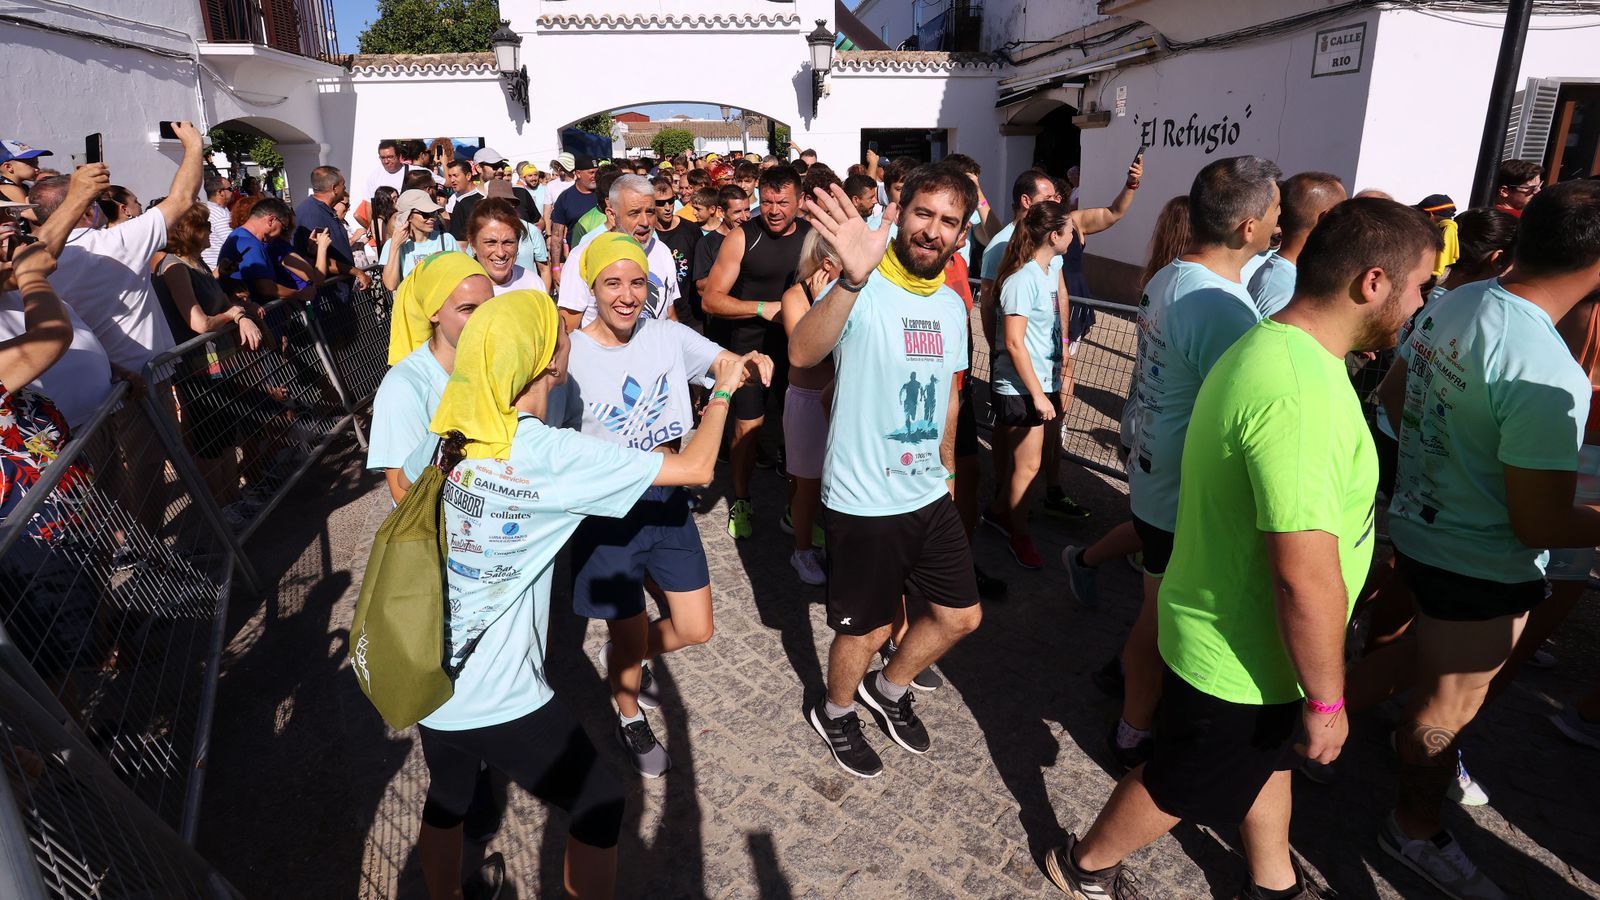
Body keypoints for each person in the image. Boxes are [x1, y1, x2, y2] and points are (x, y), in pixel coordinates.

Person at [1043, 197, 1439, 900]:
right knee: (1179, 782)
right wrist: (1326, 700)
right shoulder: (1298, 391)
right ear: (1372, 282)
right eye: (1420, 286)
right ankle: (1084, 864)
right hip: (1242, 655)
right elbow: (1302, 575)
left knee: (1265, 762)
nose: (1420, 304)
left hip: (1250, 642)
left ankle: (1273, 879)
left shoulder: (1280, 346)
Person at [397, 290, 756, 900]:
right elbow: (696, 468)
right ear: (550, 362)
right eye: (556, 331)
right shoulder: (546, 453)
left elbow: (405, 487)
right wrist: (720, 389)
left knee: (449, 795)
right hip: (496, 693)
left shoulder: (448, 433)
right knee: (599, 801)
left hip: (431, 672)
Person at [1369, 180, 1600, 898]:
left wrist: (1446, 466)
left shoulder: (1460, 299)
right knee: (1444, 711)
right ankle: (1412, 830)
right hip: (1483, 565)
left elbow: (1396, 396)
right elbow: (1540, 523)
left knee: (1414, 655)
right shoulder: (1547, 370)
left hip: (1422, 529)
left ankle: (1298, 728)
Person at [789, 165, 980, 778]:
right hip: (864, 500)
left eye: (949, 221)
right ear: (900, 211)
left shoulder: (952, 305)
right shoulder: (861, 286)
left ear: (961, 234)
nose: (933, 231)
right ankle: (836, 710)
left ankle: (890, 690)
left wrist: (947, 471)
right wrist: (848, 277)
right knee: (868, 629)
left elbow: (948, 396)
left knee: (960, 616)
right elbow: (801, 354)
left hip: (927, 491)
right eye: (923, 213)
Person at [566, 232, 772, 776]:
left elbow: (728, 364)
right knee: (628, 628)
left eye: (638, 282)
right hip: (607, 514)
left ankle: (624, 663)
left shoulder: (666, 335)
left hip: (667, 499)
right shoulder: (572, 356)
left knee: (695, 626)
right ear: (592, 287)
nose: (627, 295)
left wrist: (749, 360)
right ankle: (629, 712)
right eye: (613, 283)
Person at [1110, 156, 1280, 774]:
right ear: (1247, 228)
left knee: (1155, 609)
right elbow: (1239, 416)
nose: (1279, 222)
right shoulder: (1221, 310)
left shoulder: (1172, 276)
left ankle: (1133, 697)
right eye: (1274, 213)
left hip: (1158, 481)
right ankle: (1134, 729)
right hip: (1183, 498)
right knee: (1162, 621)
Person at [1063, 195, 1190, 611]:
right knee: (1154, 526)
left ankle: (1088, 560)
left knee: (1148, 521)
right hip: (1157, 425)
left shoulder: (1160, 280)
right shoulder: (1184, 289)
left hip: (1144, 417)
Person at [703, 165, 810, 540]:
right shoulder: (742, 237)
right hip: (748, 349)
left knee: (799, 431)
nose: (774, 210)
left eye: (783, 202)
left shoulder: (813, 238)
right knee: (748, 429)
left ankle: (799, 509)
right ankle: (742, 500)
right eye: (766, 202)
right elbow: (711, 299)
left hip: (798, 350)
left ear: (800, 201)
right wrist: (763, 308)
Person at [986, 200, 1076, 569]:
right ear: (1054, 236)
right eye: (1069, 229)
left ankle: (998, 513)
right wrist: (1038, 395)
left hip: (1038, 382)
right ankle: (1016, 533)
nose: (1074, 234)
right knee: (1028, 466)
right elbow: (1013, 341)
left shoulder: (1045, 271)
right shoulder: (1022, 279)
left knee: (1024, 466)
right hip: (1022, 389)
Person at [368, 252, 494, 503]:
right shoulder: (403, 386)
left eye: (490, 306)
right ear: (433, 312)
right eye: (468, 308)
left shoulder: (497, 364)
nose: (484, 319)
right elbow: (403, 493)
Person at [778, 230, 841, 585]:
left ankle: (835, 546)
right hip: (806, 400)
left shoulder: (852, 294)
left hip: (842, 397)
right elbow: (806, 354)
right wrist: (820, 306)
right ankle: (802, 551)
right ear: (828, 265)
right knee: (807, 484)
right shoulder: (795, 297)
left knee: (837, 482)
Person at [558, 174, 681, 330]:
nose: (645, 222)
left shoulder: (662, 251)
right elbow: (568, 329)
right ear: (611, 214)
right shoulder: (582, 257)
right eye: (634, 213)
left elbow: (670, 315)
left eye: (650, 212)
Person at [1248, 172, 1346, 317]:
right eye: (1344, 214)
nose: (1348, 223)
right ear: (1326, 218)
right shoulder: (1283, 289)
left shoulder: (1287, 279)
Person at [295, 166, 372, 343]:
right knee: (335, 347)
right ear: (334, 188)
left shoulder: (325, 210)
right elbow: (315, 259)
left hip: (339, 296)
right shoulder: (311, 214)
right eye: (343, 185)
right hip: (326, 300)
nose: (345, 189)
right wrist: (356, 272)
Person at [465, 197, 548, 296]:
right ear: (473, 244)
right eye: (490, 242)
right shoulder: (460, 290)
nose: (500, 253)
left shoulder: (533, 284)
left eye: (508, 242)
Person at [381, 189, 459, 290]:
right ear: (408, 216)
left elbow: (458, 275)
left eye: (433, 213)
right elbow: (391, 285)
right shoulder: (392, 245)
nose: (432, 218)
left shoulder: (446, 239)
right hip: (412, 304)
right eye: (425, 214)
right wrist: (395, 247)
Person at [651, 176, 701, 321]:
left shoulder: (691, 230)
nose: (667, 207)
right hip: (658, 317)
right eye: (660, 203)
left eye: (671, 201)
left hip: (690, 315)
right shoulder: (645, 234)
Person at [692, 185, 750, 299]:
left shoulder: (755, 235)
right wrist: (731, 272)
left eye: (747, 210)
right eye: (737, 212)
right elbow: (700, 287)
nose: (745, 217)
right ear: (722, 212)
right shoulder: (706, 243)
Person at [550, 152, 599, 254]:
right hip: (576, 257)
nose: (595, 176)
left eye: (597, 172)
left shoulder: (603, 194)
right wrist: (556, 267)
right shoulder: (565, 198)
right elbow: (556, 237)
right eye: (591, 173)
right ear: (578, 174)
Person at [357, 140, 413, 225]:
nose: (386, 161)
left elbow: (439, 184)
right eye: (383, 158)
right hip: (386, 229)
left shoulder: (414, 171)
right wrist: (375, 232)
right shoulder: (374, 177)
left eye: (390, 157)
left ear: (399, 156)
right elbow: (370, 206)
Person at [202, 174, 235, 269]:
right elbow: (232, 243)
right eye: (230, 189)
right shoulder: (221, 215)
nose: (232, 192)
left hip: (208, 267)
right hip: (219, 269)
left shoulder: (206, 209)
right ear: (221, 192)